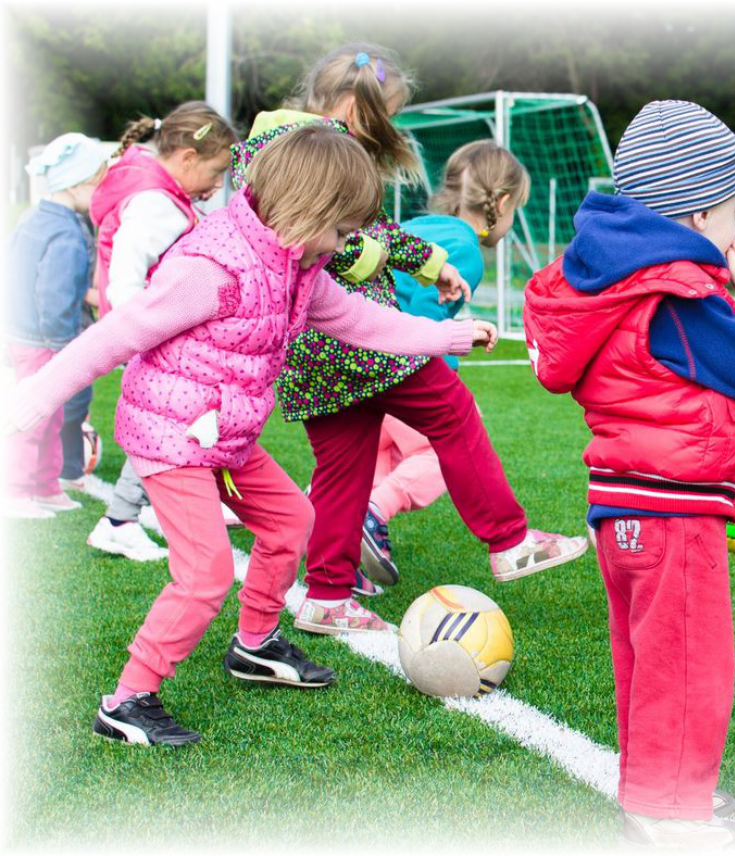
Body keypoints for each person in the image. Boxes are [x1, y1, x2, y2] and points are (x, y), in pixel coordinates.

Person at [1, 125, 497, 747]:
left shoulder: (298, 264)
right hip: (172, 437)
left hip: (226, 437)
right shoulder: (212, 268)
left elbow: (359, 320)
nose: (348, 245)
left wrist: (447, 336)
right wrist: (34, 397)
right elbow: (118, 333)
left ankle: (256, 646)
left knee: (294, 521)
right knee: (206, 573)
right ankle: (126, 700)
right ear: (308, 211)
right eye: (343, 231)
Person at [232, 43, 586, 636]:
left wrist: (432, 265)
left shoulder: (274, 142)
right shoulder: (312, 149)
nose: (386, 129)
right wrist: (385, 266)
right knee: (452, 411)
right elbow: (332, 242)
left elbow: (370, 229)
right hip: (355, 337)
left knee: (345, 466)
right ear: (352, 103)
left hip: (309, 349)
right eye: (384, 114)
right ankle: (509, 540)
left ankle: (325, 595)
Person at [523, 101, 735, 852]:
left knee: (648, 659)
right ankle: (667, 810)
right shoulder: (675, 289)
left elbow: (656, 384)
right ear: (700, 210)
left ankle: (659, 783)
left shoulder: (619, 281)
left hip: (627, 504)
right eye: (734, 212)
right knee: (687, 662)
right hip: (670, 515)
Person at [358, 140, 531, 589]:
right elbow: (423, 318)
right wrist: (443, 377)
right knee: (440, 449)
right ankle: (374, 513)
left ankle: (333, 530)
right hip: (394, 365)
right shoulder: (467, 251)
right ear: (503, 203)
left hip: (355, 360)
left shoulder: (419, 226)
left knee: (374, 456)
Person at [86, 101, 237, 562]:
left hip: (154, 335)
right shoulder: (157, 205)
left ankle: (134, 513)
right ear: (187, 159)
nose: (216, 188)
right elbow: (127, 279)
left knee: (174, 422)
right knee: (168, 425)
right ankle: (119, 519)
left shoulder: (160, 194)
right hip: (153, 338)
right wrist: (144, 334)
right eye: (215, 173)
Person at [0, 133, 108, 519]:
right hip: (44, 340)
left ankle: (45, 485)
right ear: (77, 184)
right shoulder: (66, 232)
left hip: (24, 334)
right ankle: (13, 490)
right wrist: (63, 344)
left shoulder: (32, 220)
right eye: (99, 182)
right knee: (32, 415)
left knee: (53, 414)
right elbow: (56, 293)